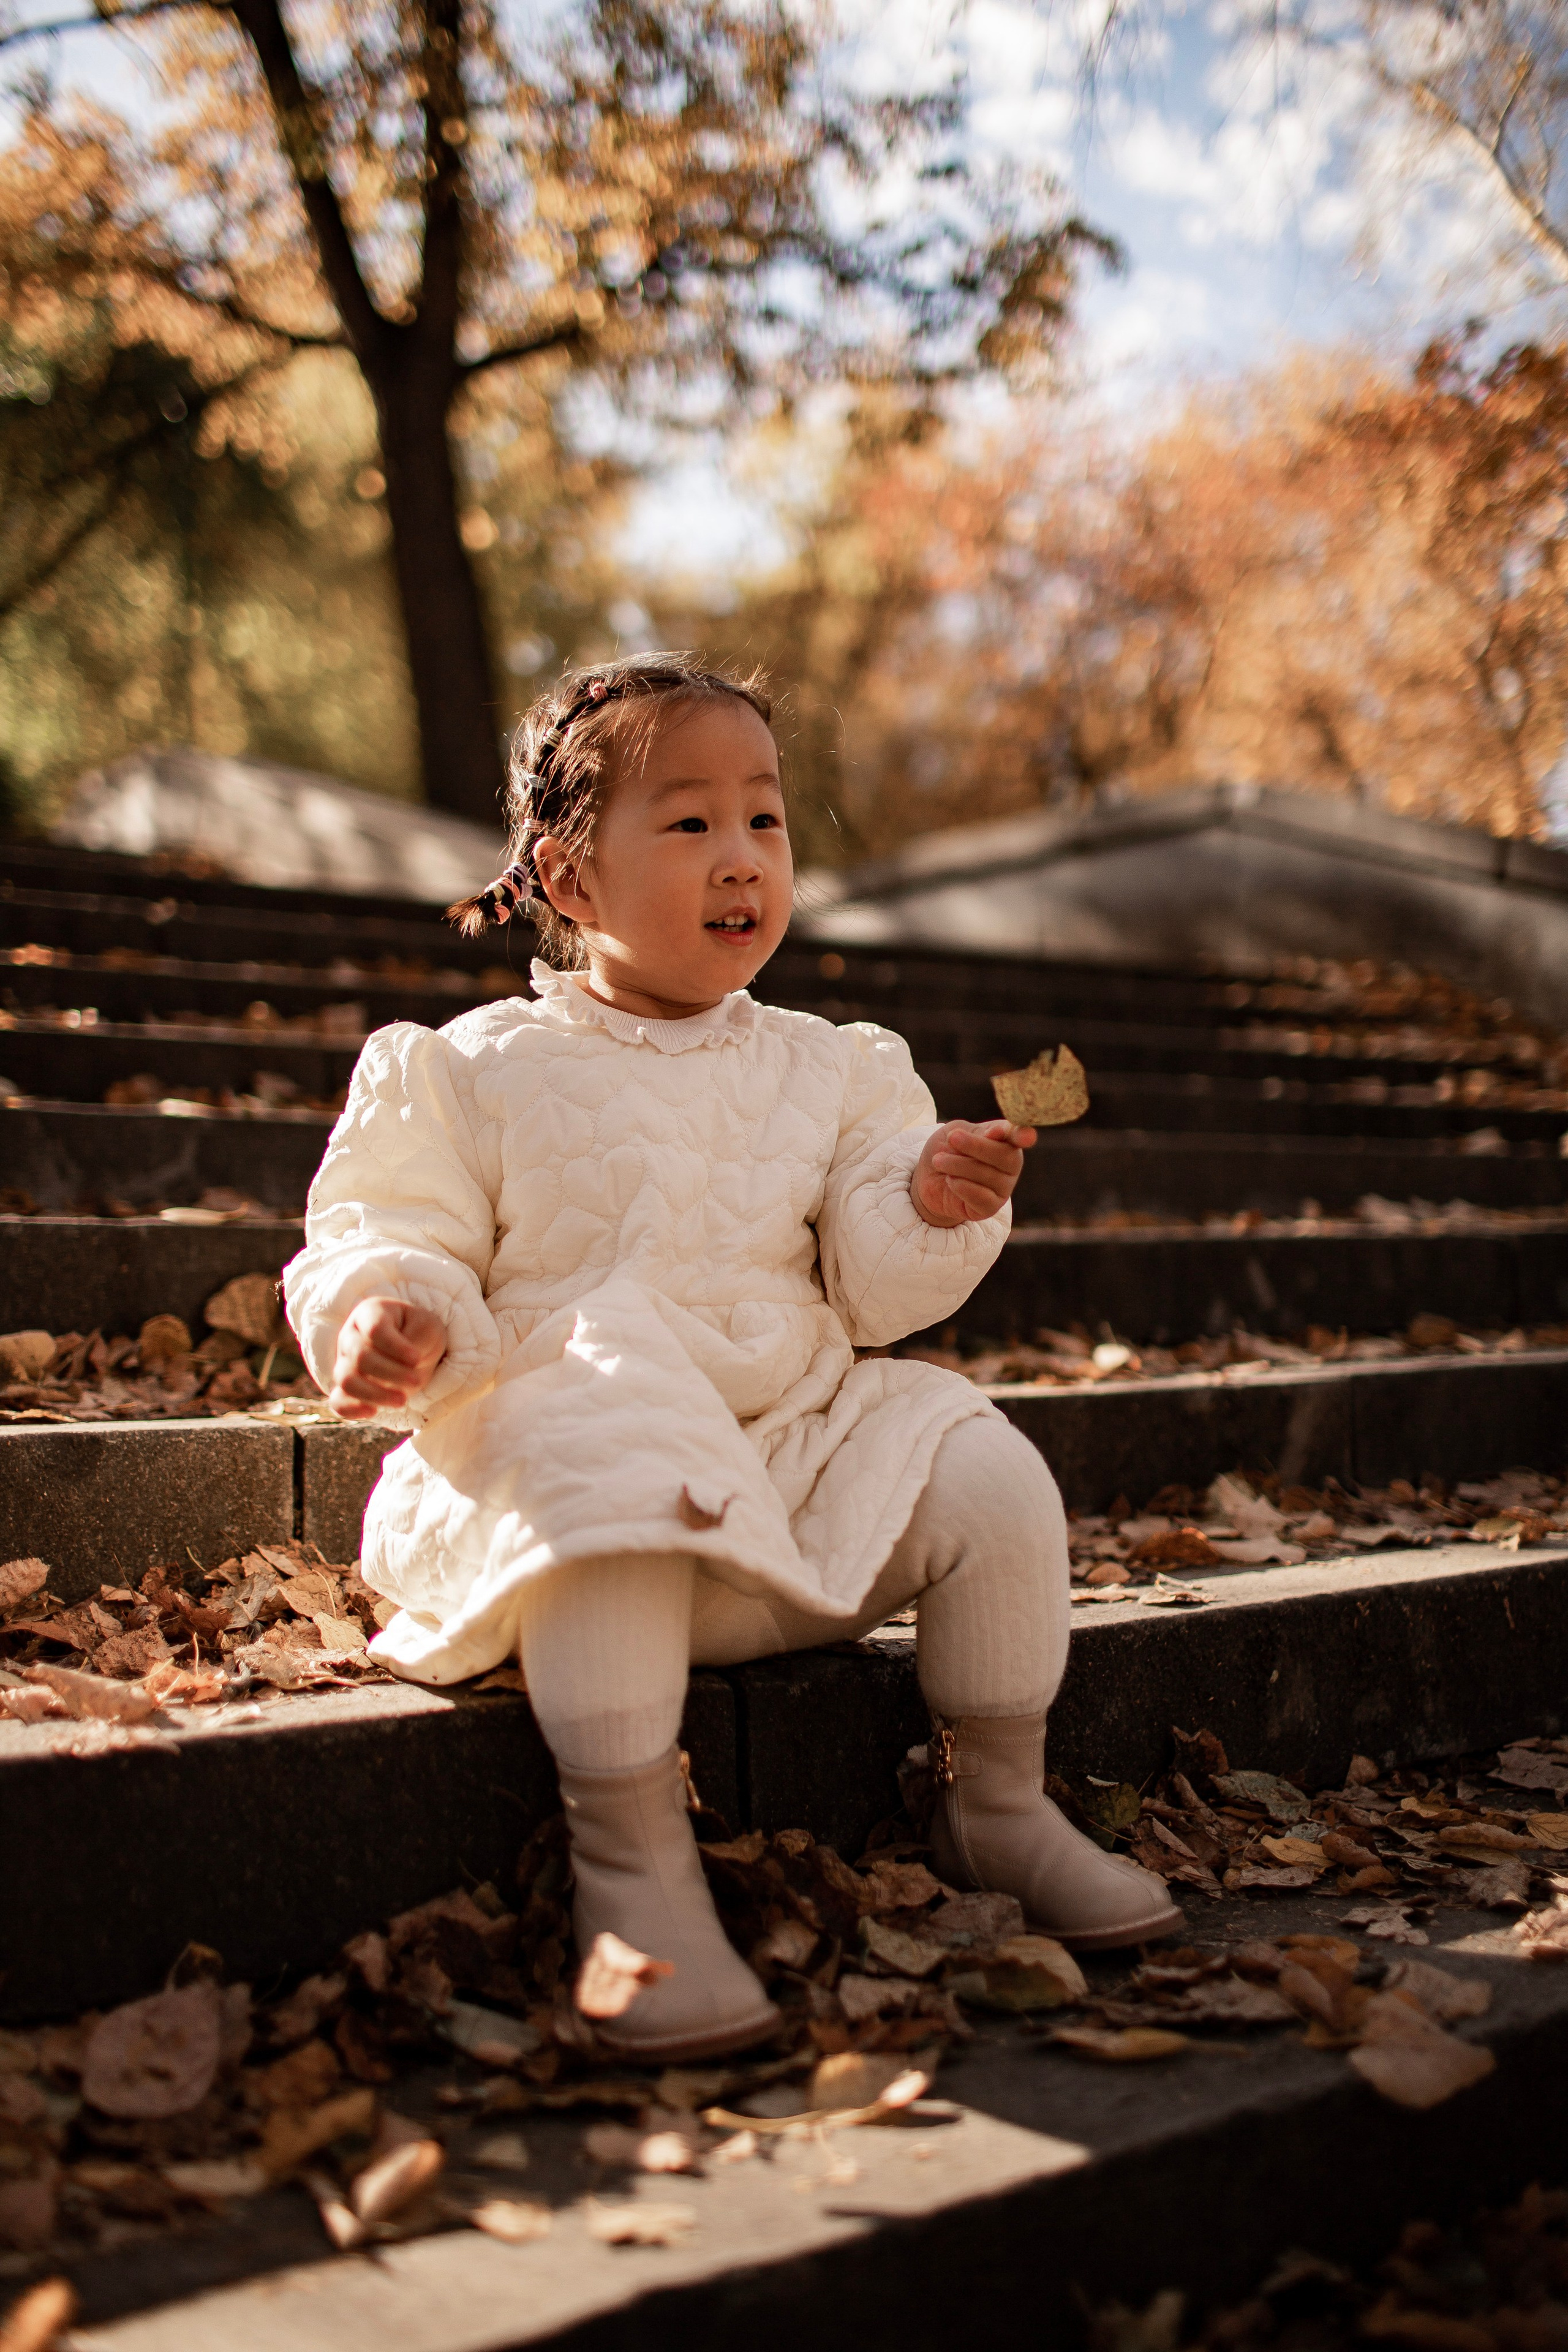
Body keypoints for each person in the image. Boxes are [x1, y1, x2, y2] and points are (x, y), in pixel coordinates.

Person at [283, 652, 1180, 2064]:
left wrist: (928, 1204)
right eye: (688, 822)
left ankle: (994, 1799)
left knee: (974, 1452)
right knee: (602, 1422)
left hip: (790, 1476)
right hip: (581, 1511)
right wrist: (390, 1309)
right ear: (568, 882)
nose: (739, 857)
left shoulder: (838, 1069)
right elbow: (389, 1224)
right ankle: (634, 1872)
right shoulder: (469, 1066)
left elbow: (870, 1292)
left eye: (762, 819)